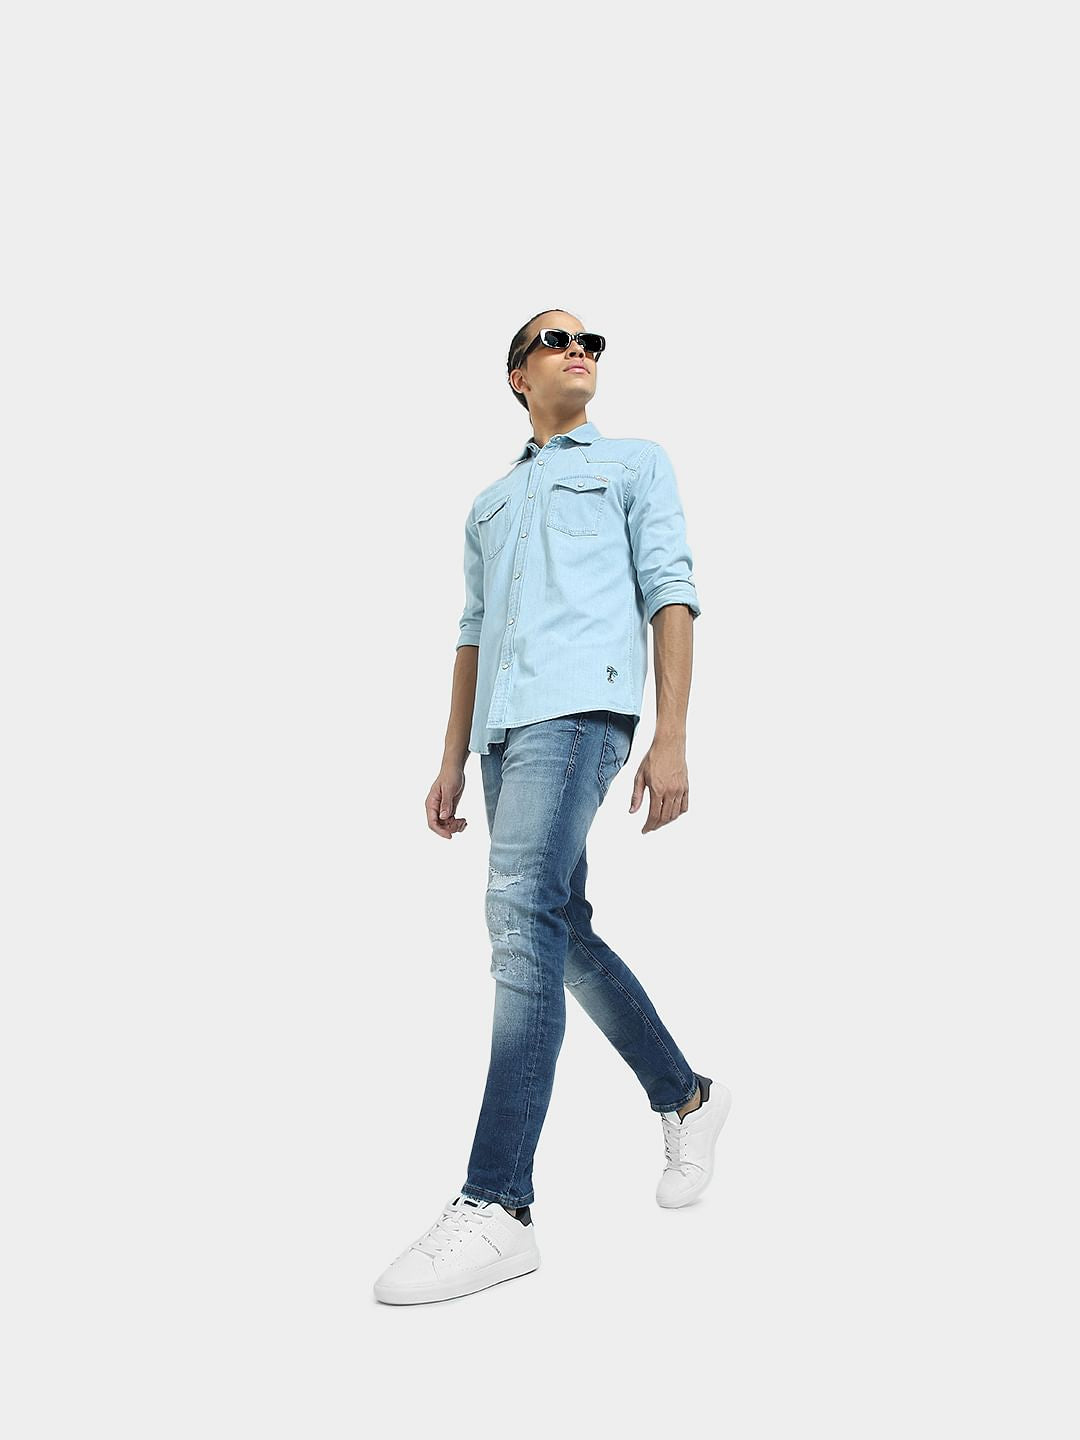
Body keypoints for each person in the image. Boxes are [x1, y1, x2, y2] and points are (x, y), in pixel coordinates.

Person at [373, 309, 732, 1306]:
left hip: (582, 714)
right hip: (502, 734)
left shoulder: (633, 464)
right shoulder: (488, 505)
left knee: (518, 919)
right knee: (554, 924)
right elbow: (472, 634)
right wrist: (451, 756)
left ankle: (500, 1202)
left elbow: (670, 590)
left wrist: (671, 735)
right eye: (556, 339)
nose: (582, 349)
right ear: (517, 377)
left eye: (593, 342)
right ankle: (687, 1098)